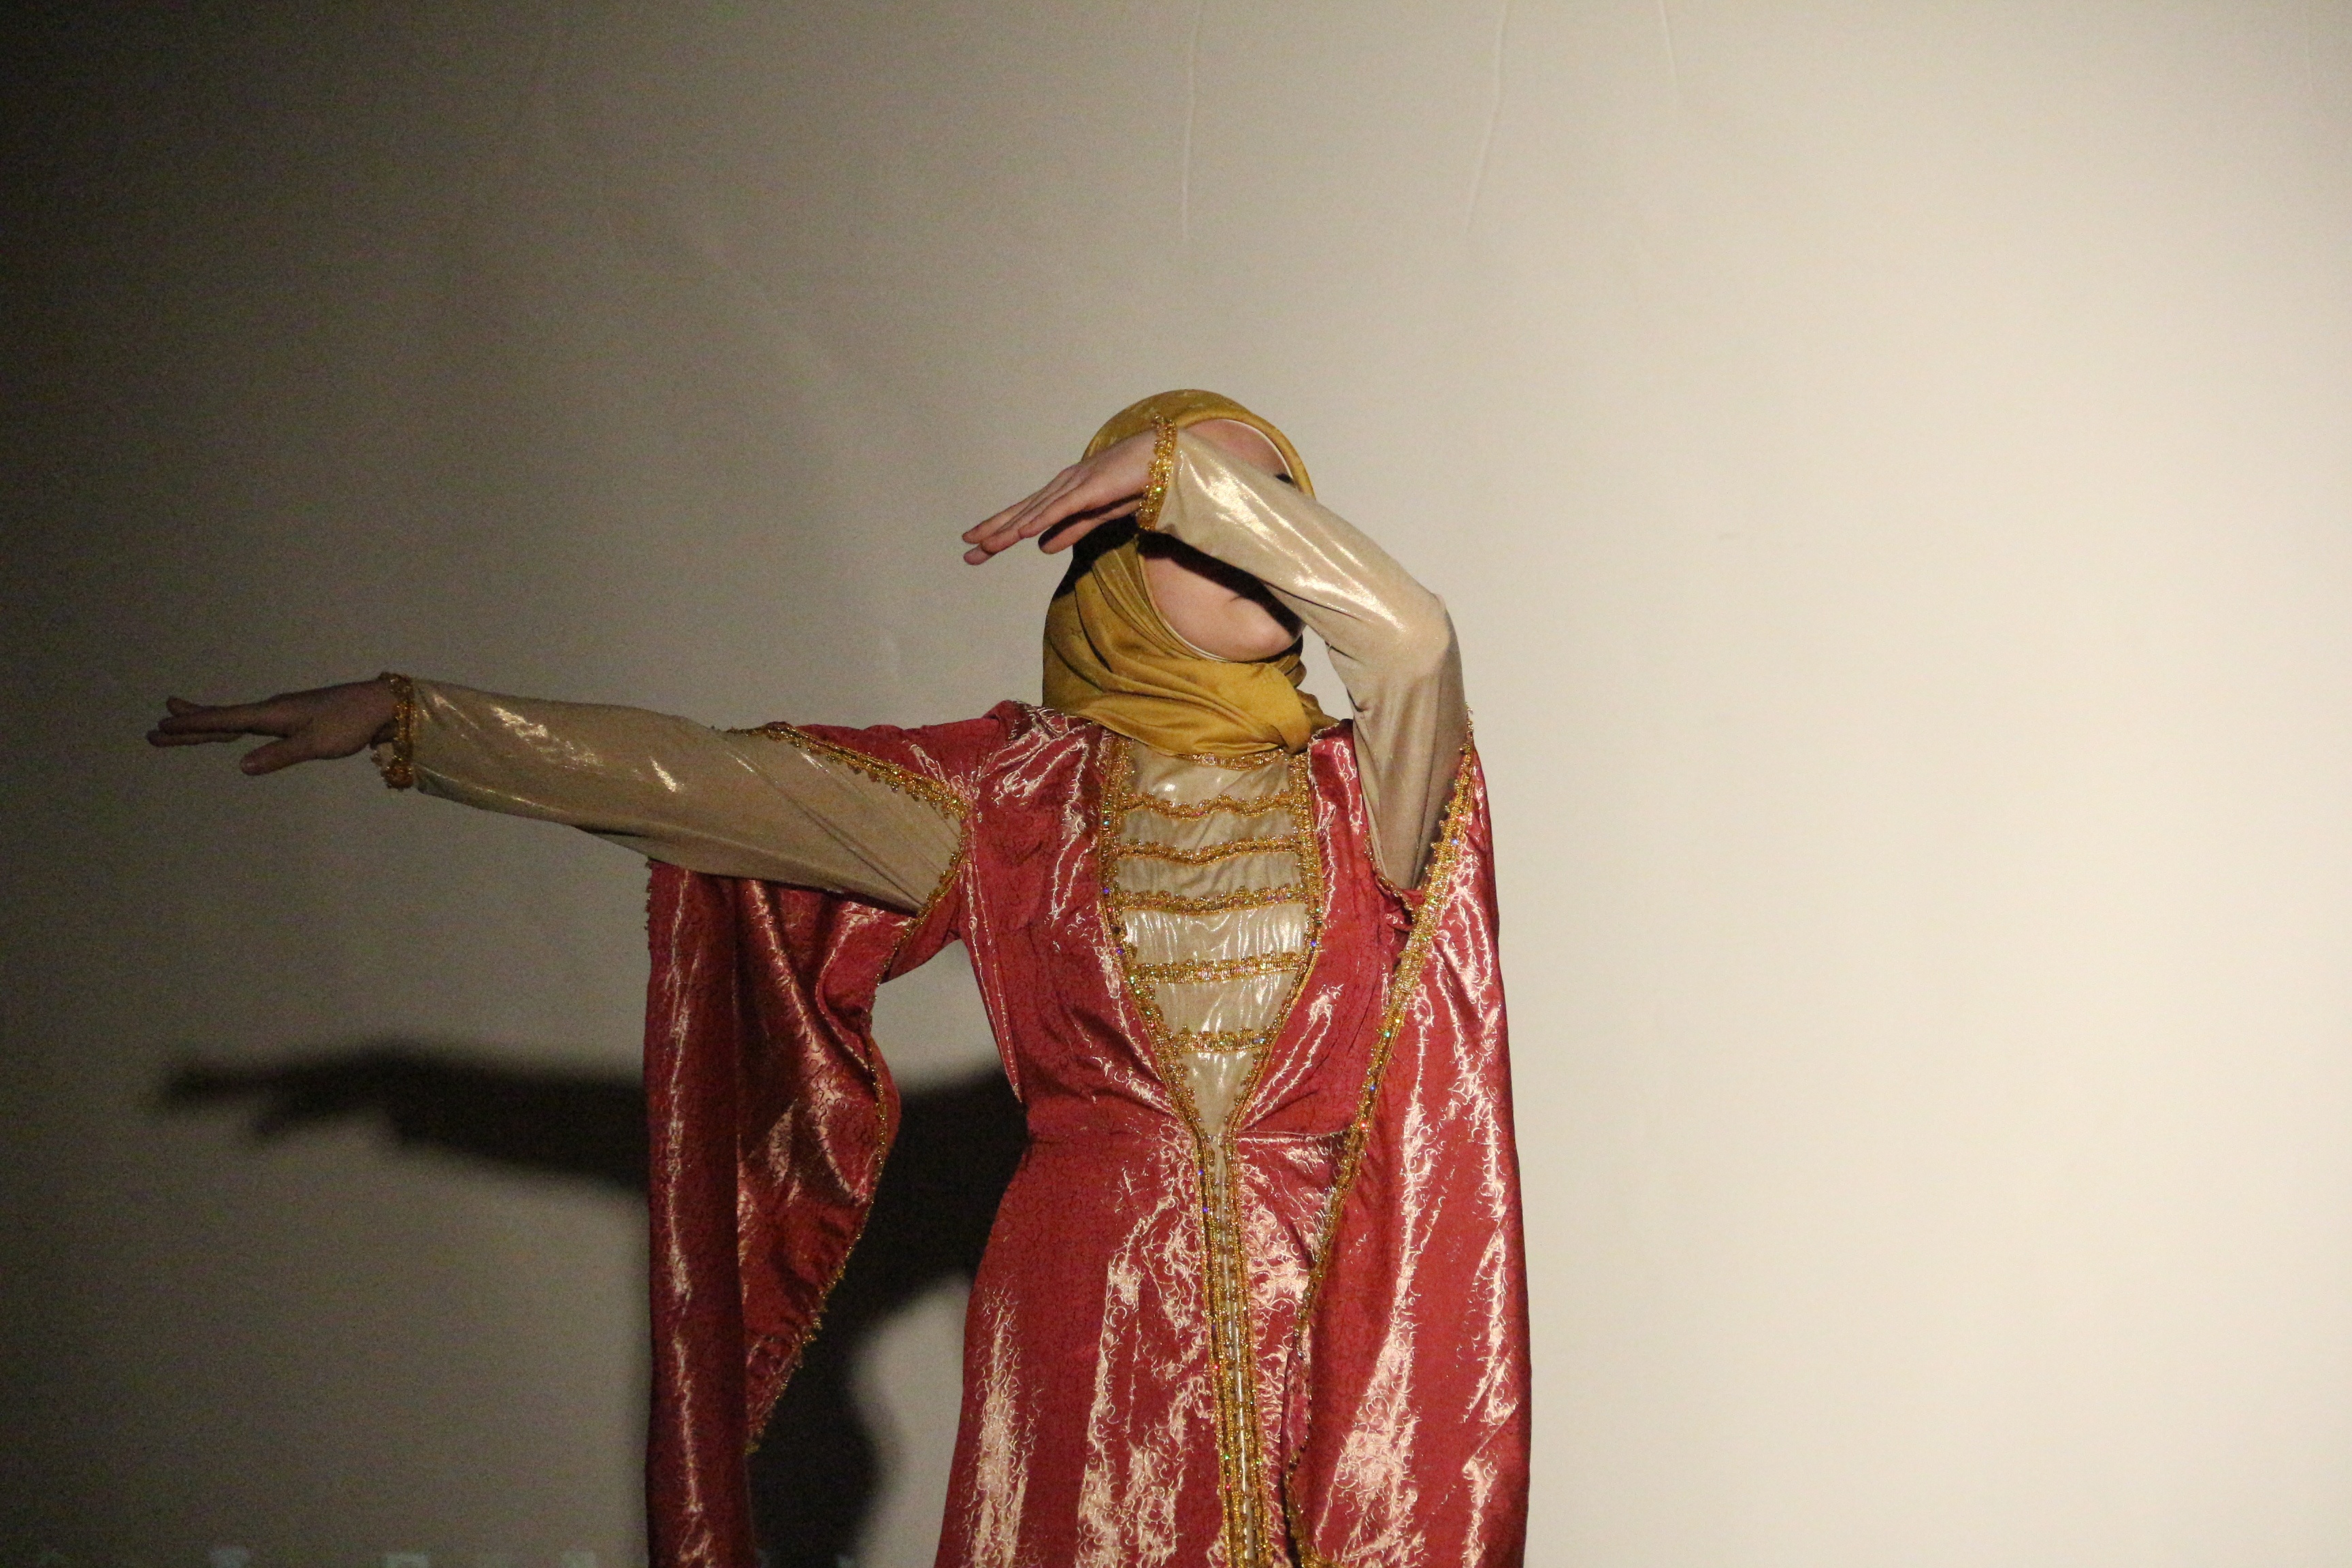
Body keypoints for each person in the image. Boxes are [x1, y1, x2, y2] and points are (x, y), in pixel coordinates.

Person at [150, 390, 1529, 1568]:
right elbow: (709, 785)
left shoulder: (1374, 793)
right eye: (1194, 519)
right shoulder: (1015, 796)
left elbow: (1410, 640)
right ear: (1109, 556)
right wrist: (420, 720)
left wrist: (1182, 476)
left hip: (1341, 1311)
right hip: (1088, 1316)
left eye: (1273, 510)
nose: (1246, 540)